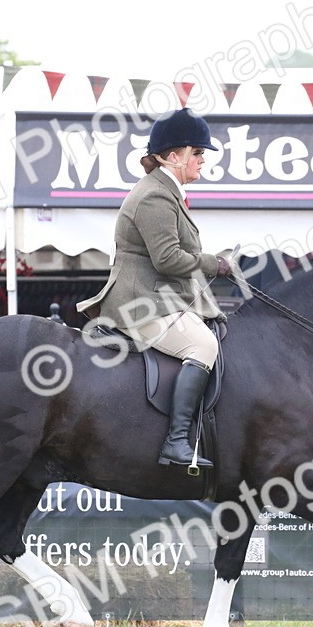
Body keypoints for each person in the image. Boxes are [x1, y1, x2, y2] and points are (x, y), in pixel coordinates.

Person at [76, 108, 233, 470]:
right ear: (171, 156)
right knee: (204, 344)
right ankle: (176, 442)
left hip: (159, 297)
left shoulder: (168, 191)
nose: (202, 159)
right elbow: (169, 259)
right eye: (196, 152)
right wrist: (215, 263)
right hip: (140, 303)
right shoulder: (154, 196)